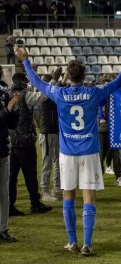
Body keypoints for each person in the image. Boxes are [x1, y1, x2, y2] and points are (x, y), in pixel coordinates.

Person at [15, 45, 121, 256]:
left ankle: (72, 241)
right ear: (84, 76)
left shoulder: (59, 93)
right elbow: (118, 82)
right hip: (89, 151)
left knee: (68, 195)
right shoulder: (93, 92)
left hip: (68, 153)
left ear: (67, 76)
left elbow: (36, 82)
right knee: (89, 198)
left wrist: (25, 60)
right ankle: (87, 244)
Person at [8, 72, 52, 216]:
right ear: (22, 83)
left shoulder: (6, 94)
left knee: (12, 177)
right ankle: (35, 203)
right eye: (26, 82)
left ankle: (9, 205)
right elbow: (43, 96)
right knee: (30, 175)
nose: (27, 84)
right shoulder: (25, 95)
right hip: (25, 142)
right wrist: (52, 81)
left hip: (11, 142)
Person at [0, 69, 20, 242]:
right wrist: (8, 109)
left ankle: (3, 228)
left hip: (3, 147)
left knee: (4, 191)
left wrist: (15, 109)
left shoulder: (4, 92)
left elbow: (12, 125)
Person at [98, 74, 121, 187]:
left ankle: (118, 177)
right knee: (100, 155)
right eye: (103, 85)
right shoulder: (99, 96)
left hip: (113, 129)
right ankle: (98, 178)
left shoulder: (115, 97)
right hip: (101, 129)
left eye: (107, 85)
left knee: (115, 154)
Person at [39, 71, 62, 202]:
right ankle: (45, 191)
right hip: (47, 133)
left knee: (58, 163)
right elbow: (50, 90)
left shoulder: (53, 94)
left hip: (55, 132)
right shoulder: (44, 95)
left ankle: (57, 189)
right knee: (47, 163)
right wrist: (55, 80)